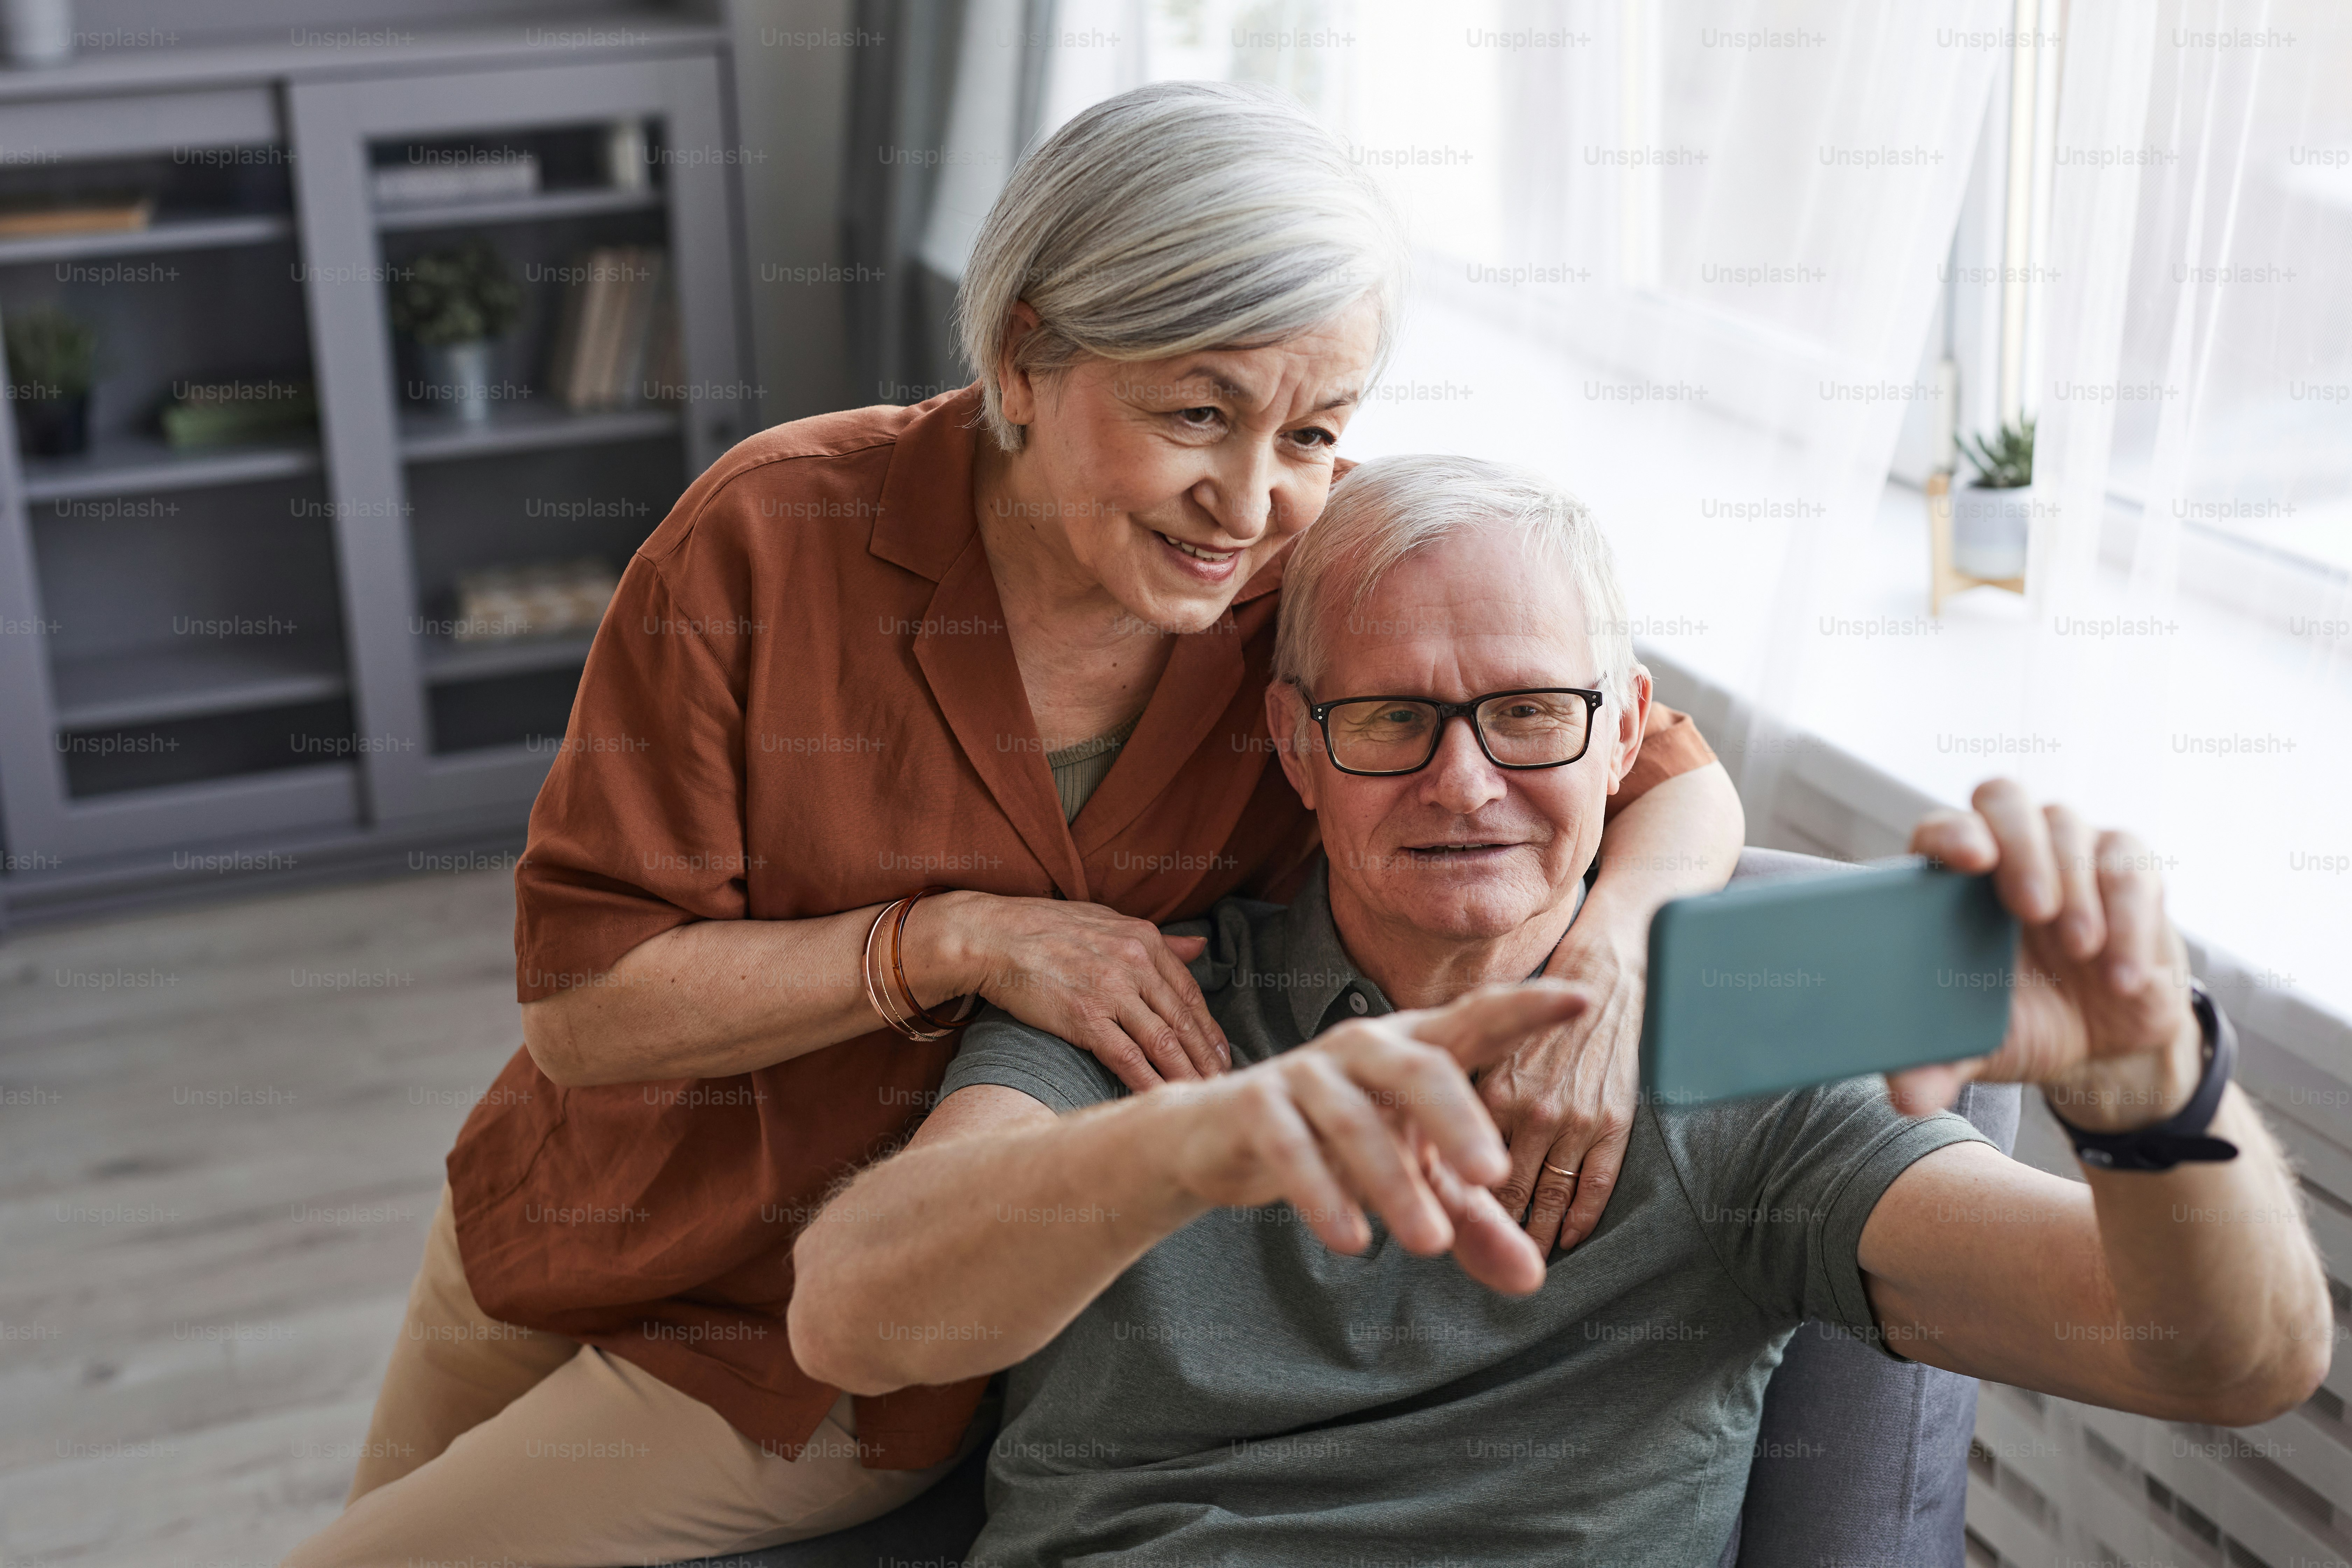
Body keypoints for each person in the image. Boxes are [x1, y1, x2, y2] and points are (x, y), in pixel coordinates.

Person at [285, 87, 1743, 1566]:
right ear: (1027, 354)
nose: (1249, 500)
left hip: (829, 1345)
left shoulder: (1331, 575)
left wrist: (1616, 956)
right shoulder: (770, 534)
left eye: (1312, 428)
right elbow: (583, 1011)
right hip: (569, 1213)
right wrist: (956, 941)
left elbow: (1672, 773)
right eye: (1197, 411)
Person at [788, 455, 2334, 1568]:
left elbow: (2220, 1361)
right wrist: (1196, 1146)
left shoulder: (1742, 1057)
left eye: (1529, 711)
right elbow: (852, 1309)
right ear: (1296, 742)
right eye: (1392, 717)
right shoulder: (1138, 1001)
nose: (1465, 784)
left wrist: (2154, 1085)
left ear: (1628, 735)